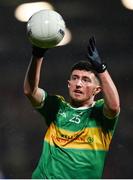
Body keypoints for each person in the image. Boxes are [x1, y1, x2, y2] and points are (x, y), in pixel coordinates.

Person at [24, 36, 120, 179]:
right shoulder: (57, 107)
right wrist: (37, 55)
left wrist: (101, 69)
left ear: (97, 90)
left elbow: (114, 106)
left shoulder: (99, 113)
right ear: (69, 84)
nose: (78, 84)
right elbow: (30, 91)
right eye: (75, 78)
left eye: (86, 80)